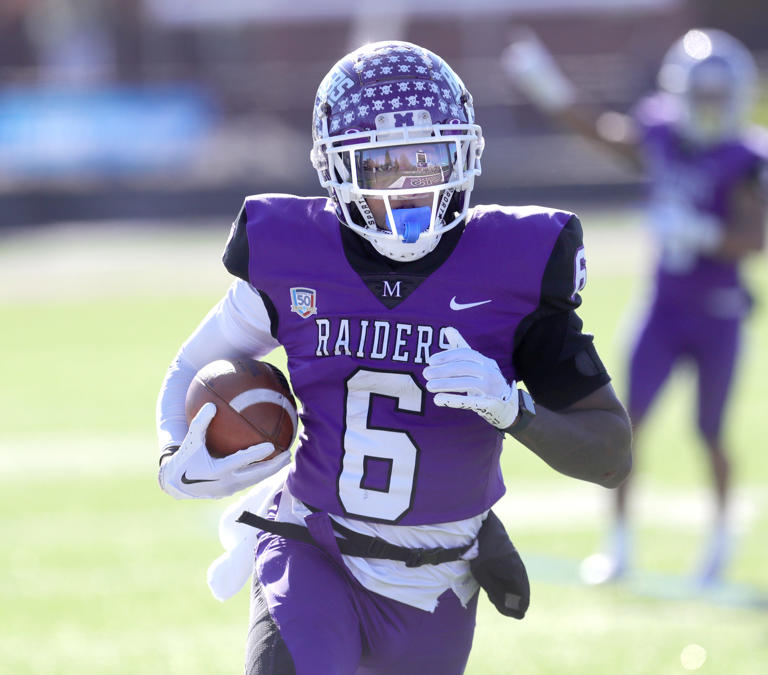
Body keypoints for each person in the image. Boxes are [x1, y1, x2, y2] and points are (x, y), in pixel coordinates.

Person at [156, 40, 632, 674]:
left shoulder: (514, 269)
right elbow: (193, 366)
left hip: (439, 578)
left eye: (427, 159)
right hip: (314, 547)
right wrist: (171, 455)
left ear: (463, 154)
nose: (408, 184)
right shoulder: (294, 254)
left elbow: (610, 454)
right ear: (334, 169)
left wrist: (515, 410)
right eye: (382, 164)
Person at [502, 28, 767, 587]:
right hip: (663, 308)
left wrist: (703, 232)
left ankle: (719, 543)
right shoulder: (663, 132)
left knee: (711, 433)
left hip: (717, 312)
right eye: (705, 92)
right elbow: (603, 134)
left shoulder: (746, 157)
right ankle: (618, 545)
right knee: (626, 426)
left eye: (722, 94)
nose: (712, 105)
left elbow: (755, 237)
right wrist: (546, 85)